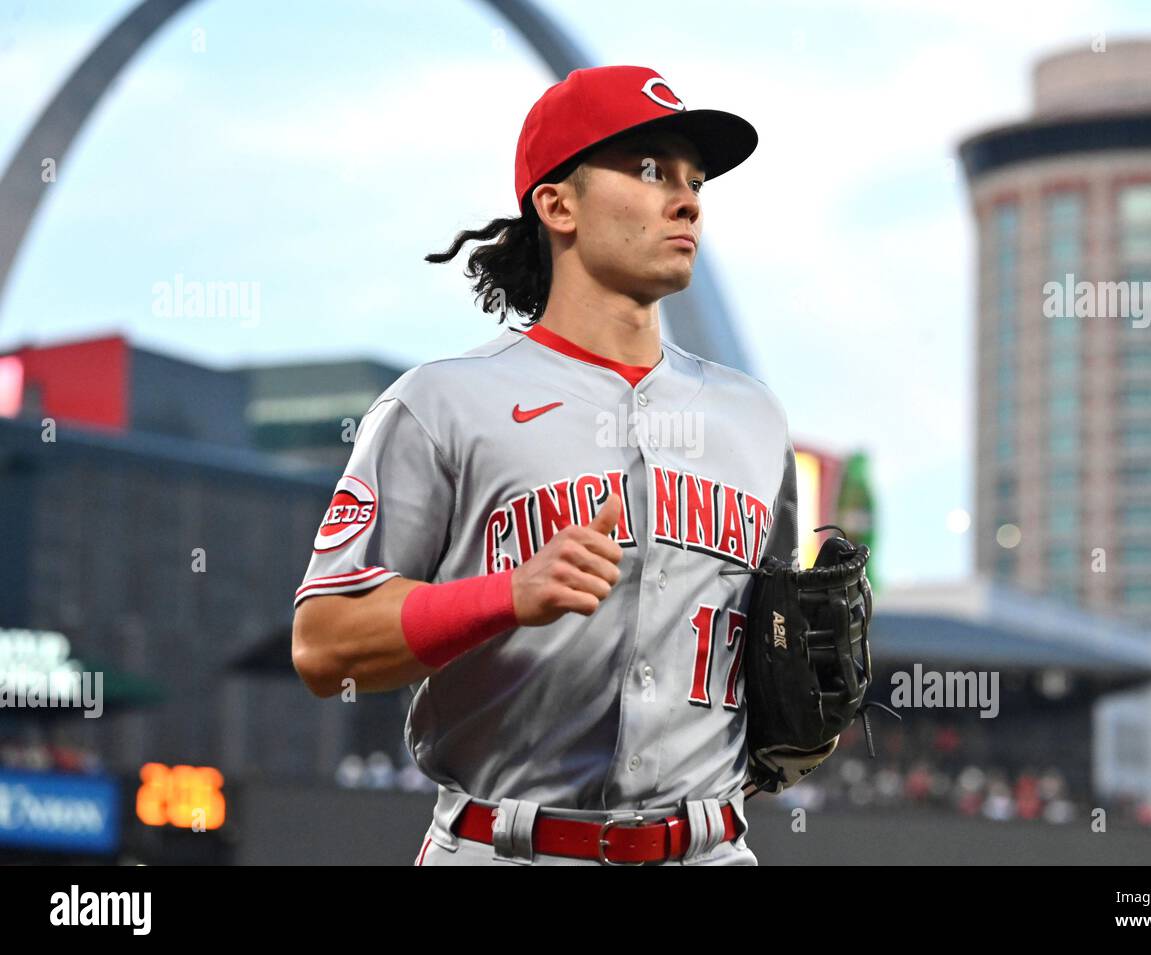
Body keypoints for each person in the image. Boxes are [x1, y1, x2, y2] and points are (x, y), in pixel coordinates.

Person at [291, 65, 798, 866]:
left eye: (695, 179)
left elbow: (783, 674)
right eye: (648, 170)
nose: (688, 198)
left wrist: (813, 702)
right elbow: (324, 645)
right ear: (558, 204)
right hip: (506, 844)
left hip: (709, 847)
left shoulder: (756, 422)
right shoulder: (443, 402)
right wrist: (507, 595)